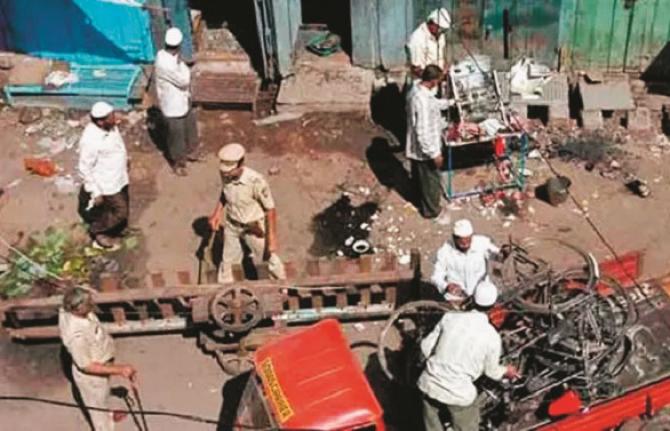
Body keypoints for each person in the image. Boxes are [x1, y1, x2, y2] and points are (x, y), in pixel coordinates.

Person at [418, 281, 520, 431]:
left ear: (472, 298)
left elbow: (425, 347)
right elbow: (492, 372)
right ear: (494, 307)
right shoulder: (492, 336)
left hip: (428, 384)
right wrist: (507, 371)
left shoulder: (450, 317)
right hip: (458, 395)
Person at [59, 287, 137, 431]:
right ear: (78, 308)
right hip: (92, 378)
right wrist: (120, 370)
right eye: (89, 303)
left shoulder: (66, 309)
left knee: (102, 398)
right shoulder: (77, 337)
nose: (93, 304)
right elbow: (86, 366)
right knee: (97, 409)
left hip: (100, 366)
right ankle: (104, 426)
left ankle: (108, 414)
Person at [208, 143, 286, 283]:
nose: (226, 174)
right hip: (232, 224)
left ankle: (283, 286)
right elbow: (226, 193)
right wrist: (217, 213)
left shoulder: (256, 181)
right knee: (228, 262)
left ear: (241, 164)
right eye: (224, 171)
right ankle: (227, 290)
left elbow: (270, 209)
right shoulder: (225, 175)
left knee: (269, 257)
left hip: (253, 227)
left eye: (230, 171)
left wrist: (272, 238)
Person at [78, 101, 129, 250]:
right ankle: (98, 231)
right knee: (121, 211)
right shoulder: (91, 140)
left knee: (116, 208)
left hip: (120, 176)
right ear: (100, 121)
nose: (115, 117)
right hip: (107, 183)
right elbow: (84, 167)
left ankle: (116, 229)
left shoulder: (110, 127)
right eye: (111, 116)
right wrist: (95, 191)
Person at [406, 65, 452, 220]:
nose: (438, 83)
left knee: (420, 179)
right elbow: (423, 130)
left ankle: (422, 201)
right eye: (438, 81)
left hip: (419, 147)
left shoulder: (418, 90)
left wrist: (451, 102)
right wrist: (434, 154)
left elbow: (435, 104)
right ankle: (432, 211)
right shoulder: (422, 100)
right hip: (425, 150)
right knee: (430, 181)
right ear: (432, 81)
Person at [154, 27, 201, 176]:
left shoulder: (167, 55)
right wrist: (184, 67)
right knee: (176, 137)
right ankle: (179, 163)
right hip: (172, 106)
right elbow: (183, 81)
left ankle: (192, 152)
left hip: (182, 101)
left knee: (190, 128)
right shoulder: (165, 63)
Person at [431, 219, 506, 301]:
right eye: (462, 243)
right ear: (454, 238)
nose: (466, 245)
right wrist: (446, 286)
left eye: (468, 241)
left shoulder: (482, 243)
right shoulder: (445, 251)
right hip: (457, 296)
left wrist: (503, 254)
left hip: (480, 292)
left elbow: (496, 255)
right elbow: (436, 277)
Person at [407, 8, 451, 80]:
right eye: (440, 28)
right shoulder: (417, 39)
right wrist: (436, 77)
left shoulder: (439, 35)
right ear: (432, 24)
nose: (441, 32)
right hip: (424, 82)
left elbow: (442, 55)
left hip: (438, 78)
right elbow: (417, 69)